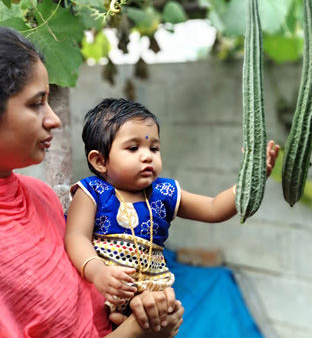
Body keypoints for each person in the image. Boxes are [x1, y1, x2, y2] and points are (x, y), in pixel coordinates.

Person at [0, 26, 184, 338]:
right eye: (36, 104)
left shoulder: (42, 198)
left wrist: (148, 318)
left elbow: (91, 312)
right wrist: (139, 331)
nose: (54, 119)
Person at [65, 98, 280, 314]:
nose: (147, 156)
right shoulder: (92, 192)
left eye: (154, 148)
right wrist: (97, 272)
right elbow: (76, 237)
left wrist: (251, 180)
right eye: (133, 148)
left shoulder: (165, 192)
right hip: (104, 293)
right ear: (100, 161)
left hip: (154, 296)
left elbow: (214, 208)